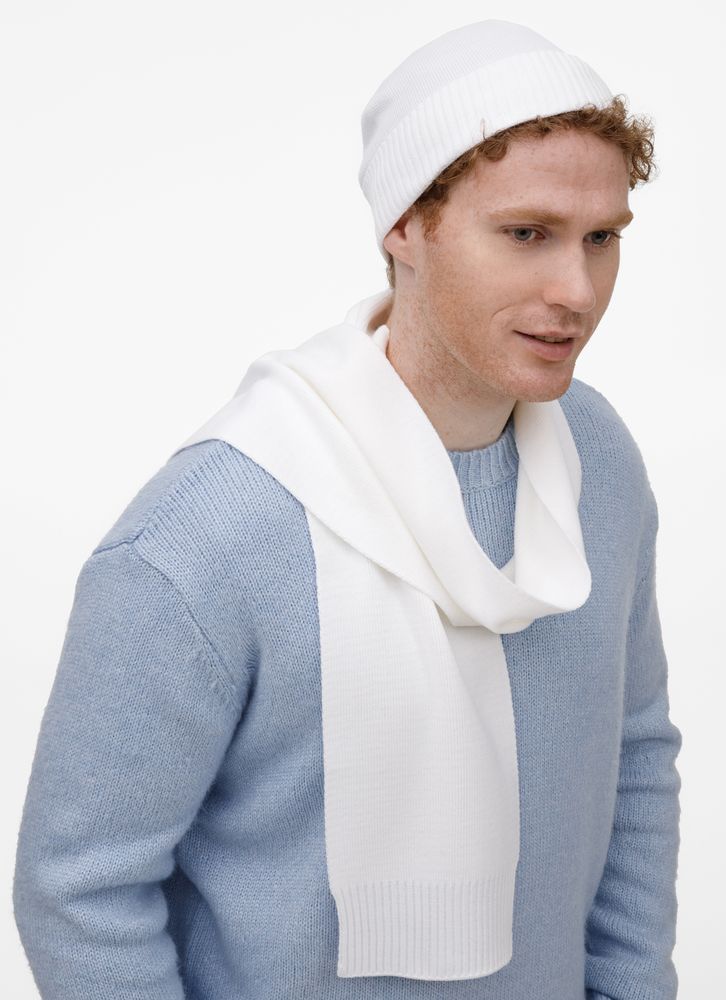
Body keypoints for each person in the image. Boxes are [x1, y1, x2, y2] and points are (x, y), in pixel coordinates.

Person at [13, 18, 682, 1000]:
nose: (575, 289)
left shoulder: (600, 466)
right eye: (526, 234)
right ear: (404, 227)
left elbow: (633, 757)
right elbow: (79, 891)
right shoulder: (212, 533)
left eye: (602, 239)